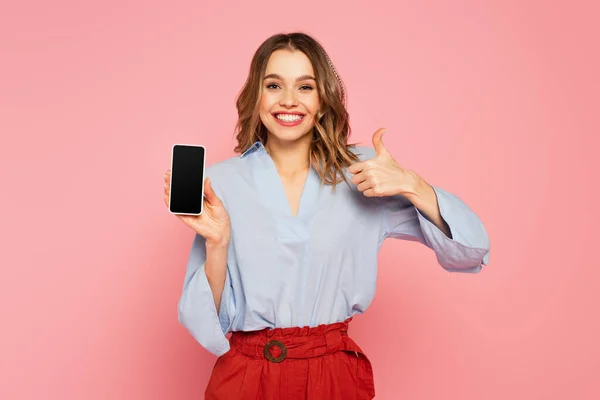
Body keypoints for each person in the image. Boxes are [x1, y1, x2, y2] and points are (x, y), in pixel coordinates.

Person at [163, 32, 490, 400]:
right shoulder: (220, 181)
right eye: (274, 85)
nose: (289, 100)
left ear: (323, 99)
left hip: (331, 377)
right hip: (246, 377)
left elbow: (472, 250)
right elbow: (208, 324)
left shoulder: (363, 173)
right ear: (256, 95)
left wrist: (412, 184)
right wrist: (218, 244)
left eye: (305, 86)